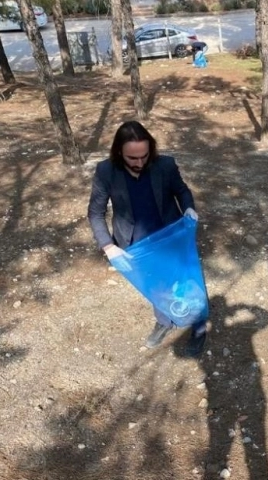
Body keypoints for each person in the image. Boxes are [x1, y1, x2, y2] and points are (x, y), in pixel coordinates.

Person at [87, 121, 208, 357]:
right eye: (132, 158)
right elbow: (95, 213)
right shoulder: (105, 171)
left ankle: (198, 327)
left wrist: (188, 208)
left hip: (171, 237)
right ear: (118, 151)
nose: (140, 163)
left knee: (186, 281)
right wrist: (108, 246)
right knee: (155, 285)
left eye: (144, 156)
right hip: (136, 245)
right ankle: (164, 320)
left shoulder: (165, 165)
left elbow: (181, 191)